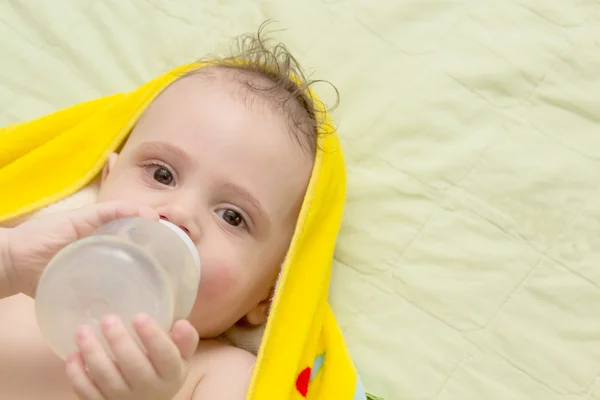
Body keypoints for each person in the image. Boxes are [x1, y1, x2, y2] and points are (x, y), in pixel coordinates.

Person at [0, 28, 326, 400]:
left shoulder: (217, 374)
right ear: (107, 180)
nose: (180, 213)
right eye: (162, 174)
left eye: (232, 216)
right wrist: (8, 262)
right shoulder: (24, 275)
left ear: (265, 298)